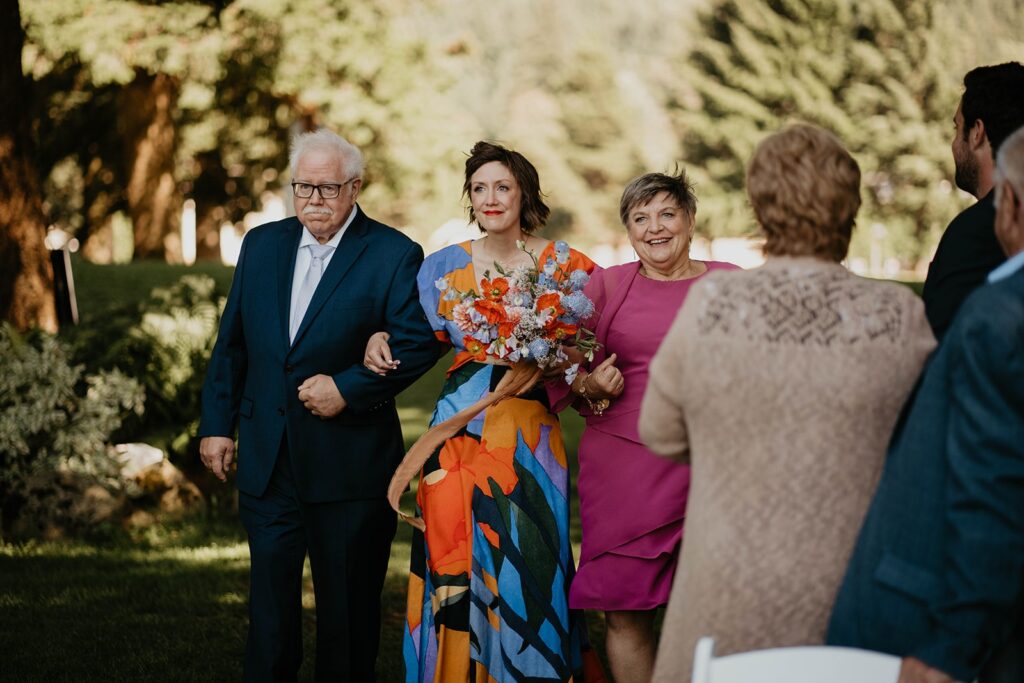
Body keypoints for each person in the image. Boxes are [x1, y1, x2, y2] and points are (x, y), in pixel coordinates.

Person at [637, 124, 936, 680]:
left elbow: (661, 431)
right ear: (850, 208)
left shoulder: (714, 305)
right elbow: (933, 455)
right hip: (858, 592)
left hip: (730, 594)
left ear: (761, 206)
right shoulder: (899, 316)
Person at [197, 129, 437, 682]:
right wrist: (217, 424)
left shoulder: (394, 253)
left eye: (327, 189)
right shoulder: (262, 244)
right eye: (302, 187)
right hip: (268, 462)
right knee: (271, 620)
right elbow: (232, 342)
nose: (313, 200)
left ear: (355, 188)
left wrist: (348, 388)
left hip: (349, 468)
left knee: (347, 623)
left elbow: (417, 341)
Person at [364, 141, 596, 682]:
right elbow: (410, 334)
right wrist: (378, 333)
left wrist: (562, 355)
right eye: (479, 188)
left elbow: (597, 339)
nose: (490, 198)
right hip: (457, 430)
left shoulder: (565, 265)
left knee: (527, 560)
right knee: (455, 559)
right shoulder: (444, 267)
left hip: (529, 438)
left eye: (503, 187)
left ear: (525, 194)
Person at [827, 126, 1024, 683]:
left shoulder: (997, 316)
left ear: (1008, 203)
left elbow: (993, 493)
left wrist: (952, 646)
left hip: (954, 627)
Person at [546, 171, 738, 683]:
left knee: (711, 614)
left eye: (667, 214)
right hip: (624, 472)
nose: (655, 228)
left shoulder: (732, 283)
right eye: (640, 218)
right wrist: (588, 386)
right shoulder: (605, 287)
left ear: (690, 221)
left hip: (711, 468)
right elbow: (564, 360)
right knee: (624, 608)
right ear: (628, 230)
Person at [922, 61, 1024, 338]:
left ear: (977, 132)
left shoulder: (975, 233)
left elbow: (941, 347)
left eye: (957, 128)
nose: (954, 143)